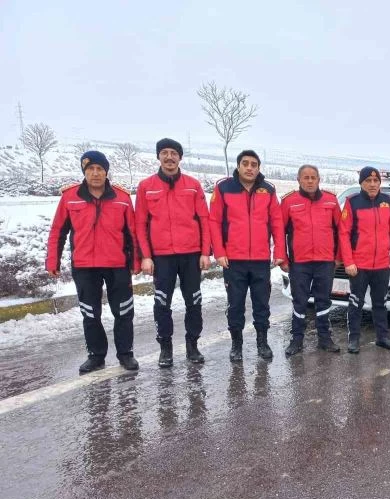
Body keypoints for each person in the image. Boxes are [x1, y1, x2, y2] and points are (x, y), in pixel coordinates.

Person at [46, 151, 140, 373]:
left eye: (100, 169)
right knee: (90, 313)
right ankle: (96, 356)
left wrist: (136, 262)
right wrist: (53, 260)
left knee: (124, 312)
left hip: (117, 265)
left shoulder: (122, 197)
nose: (95, 173)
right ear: (84, 172)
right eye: (90, 169)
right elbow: (58, 230)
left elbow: (133, 233)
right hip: (85, 266)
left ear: (106, 172)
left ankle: (126, 354)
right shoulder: (70, 197)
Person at [135, 138, 211, 368]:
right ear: (159, 156)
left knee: (194, 302)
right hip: (161, 257)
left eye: (174, 153)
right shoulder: (146, 186)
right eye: (165, 153)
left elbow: (204, 220)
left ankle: (192, 345)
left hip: (191, 255)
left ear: (180, 157)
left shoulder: (193, 185)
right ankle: (165, 348)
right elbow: (140, 224)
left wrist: (205, 251)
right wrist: (146, 256)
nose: (169, 157)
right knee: (162, 303)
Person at [209, 150, 286, 362]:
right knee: (235, 305)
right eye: (245, 163)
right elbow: (214, 221)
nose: (250, 168)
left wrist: (279, 251)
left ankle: (262, 342)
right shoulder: (224, 187)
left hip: (261, 260)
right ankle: (237, 345)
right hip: (234, 261)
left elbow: (277, 222)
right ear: (239, 166)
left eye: (254, 164)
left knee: (262, 304)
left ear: (258, 168)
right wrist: (219, 252)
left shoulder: (268, 190)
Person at [280, 164, 342, 356]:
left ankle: (325, 338)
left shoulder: (331, 201)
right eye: (305, 177)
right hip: (300, 262)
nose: (309, 181)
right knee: (300, 302)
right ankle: (296, 340)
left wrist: (339, 257)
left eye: (313, 177)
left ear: (318, 179)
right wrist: (282, 257)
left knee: (323, 301)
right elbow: (279, 231)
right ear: (298, 180)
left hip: (325, 261)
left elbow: (342, 231)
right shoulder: (289, 202)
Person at [338, 167, 390, 354]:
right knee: (356, 302)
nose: (372, 184)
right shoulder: (352, 203)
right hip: (359, 265)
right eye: (368, 181)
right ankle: (354, 339)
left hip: (382, 264)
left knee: (380, 303)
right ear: (361, 183)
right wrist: (348, 261)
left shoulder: (387, 202)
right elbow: (344, 234)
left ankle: (383, 337)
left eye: (376, 180)